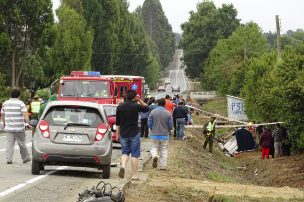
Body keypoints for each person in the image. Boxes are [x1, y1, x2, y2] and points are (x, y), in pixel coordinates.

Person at [116, 90, 149, 180]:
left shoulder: (120, 106)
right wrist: (139, 100)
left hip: (123, 133)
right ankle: (134, 175)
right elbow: (146, 108)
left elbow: (117, 122)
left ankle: (123, 166)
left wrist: (117, 134)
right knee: (134, 155)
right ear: (134, 97)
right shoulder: (136, 106)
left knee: (125, 152)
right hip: (134, 133)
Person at [1, 89, 31, 164]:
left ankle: (9, 159)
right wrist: (28, 124)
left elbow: (3, 115)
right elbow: (25, 115)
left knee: (9, 143)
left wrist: (4, 123)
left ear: (11, 95)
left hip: (9, 128)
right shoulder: (21, 103)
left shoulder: (5, 103)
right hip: (19, 128)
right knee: (22, 143)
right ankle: (25, 158)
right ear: (18, 95)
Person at [148, 98, 173, 170]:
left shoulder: (152, 112)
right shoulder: (168, 113)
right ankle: (162, 166)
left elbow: (149, 123)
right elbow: (170, 125)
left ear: (157, 103)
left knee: (154, 147)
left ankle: (155, 155)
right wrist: (168, 129)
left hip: (154, 134)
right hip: (165, 135)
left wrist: (153, 129)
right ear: (164, 104)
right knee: (164, 150)